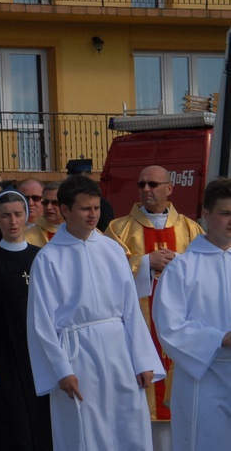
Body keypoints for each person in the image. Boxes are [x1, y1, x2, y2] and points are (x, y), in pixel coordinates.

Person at [26, 174, 165, 450]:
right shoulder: (48, 258)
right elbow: (41, 323)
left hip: (119, 352)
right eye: (85, 208)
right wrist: (61, 370)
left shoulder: (112, 249)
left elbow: (131, 310)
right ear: (65, 210)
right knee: (85, 431)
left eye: (97, 208)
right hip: (78, 354)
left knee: (129, 426)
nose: (93, 215)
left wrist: (142, 359)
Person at [105, 165, 203, 450]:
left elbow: (202, 274)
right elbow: (108, 276)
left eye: (153, 184)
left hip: (180, 328)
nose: (146, 189)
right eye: (141, 184)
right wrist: (145, 263)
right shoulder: (118, 229)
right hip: (138, 328)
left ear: (169, 189)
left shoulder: (190, 228)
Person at [0, 190, 52, 450]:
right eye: (5, 216)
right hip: (4, 358)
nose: (12, 221)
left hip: (41, 353)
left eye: (17, 214)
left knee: (45, 422)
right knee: (11, 424)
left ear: (27, 216)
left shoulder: (42, 255)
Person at [152, 177, 231, 451]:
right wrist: (221, 339)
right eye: (225, 213)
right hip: (204, 377)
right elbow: (169, 328)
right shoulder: (183, 267)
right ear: (207, 215)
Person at [25, 182, 63, 246]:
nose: (48, 207)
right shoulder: (28, 235)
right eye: (45, 202)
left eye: (55, 202)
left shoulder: (78, 232)